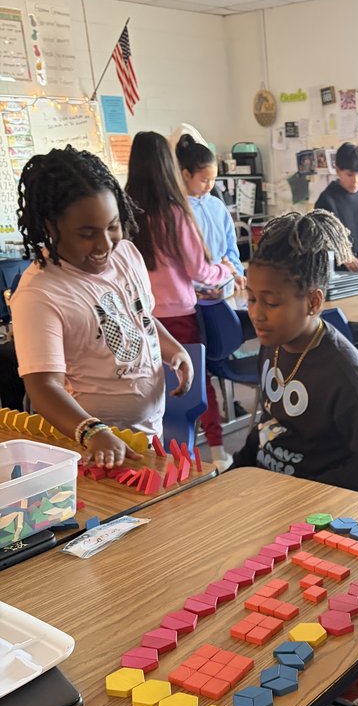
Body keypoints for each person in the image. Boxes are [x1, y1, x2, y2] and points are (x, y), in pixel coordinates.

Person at [11, 146, 193, 468]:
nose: (105, 244)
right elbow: (43, 386)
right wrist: (92, 431)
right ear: (51, 228)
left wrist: (173, 350)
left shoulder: (126, 254)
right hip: (88, 446)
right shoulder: (39, 293)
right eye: (87, 234)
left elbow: (141, 318)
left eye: (112, 226)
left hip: (147, 433)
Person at [230, 209, 358, 493]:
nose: (256, 314)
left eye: (270, 304)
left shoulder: (348, 377)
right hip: (265, 489)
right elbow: (267, 426)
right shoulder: (272, 344)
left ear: (312, 302)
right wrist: (232, 476)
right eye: (251, 299)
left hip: (306, 507)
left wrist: (310, 496)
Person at [126, 131, 236, 467]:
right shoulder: (174, 211)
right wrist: (227, 270)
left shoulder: (122, 209)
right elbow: (200, 270)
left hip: (139, 316)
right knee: (194, 386)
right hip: (178, 316)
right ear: (170, 166)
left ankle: (160, 459)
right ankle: (216, 452)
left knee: (150, 387)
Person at [175, 133, 247, 299]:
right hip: (194, 291)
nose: (209, 185)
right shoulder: (179, 210)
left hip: (223, 283)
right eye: (204, 180)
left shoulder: (217, 206)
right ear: (186, 174)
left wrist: (236, 273)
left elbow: (230, 247)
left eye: (213, 179)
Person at [314, 142, 358, 272]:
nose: (355, 180)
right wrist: (344, 255)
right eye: (350, 175)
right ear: (338, 171)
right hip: (335, 271)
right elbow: (320, 239)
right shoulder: (326, 200)